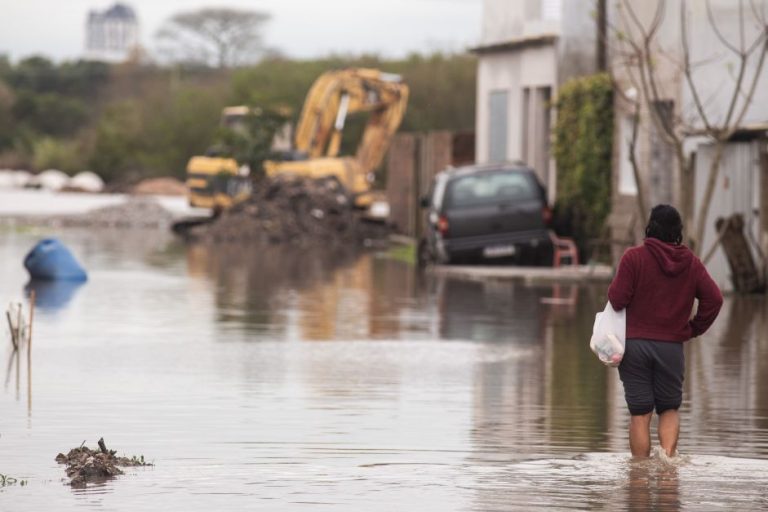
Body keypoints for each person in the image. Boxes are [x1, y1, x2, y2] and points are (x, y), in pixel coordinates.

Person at [608, 204, 723, 458]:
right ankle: (668, 470)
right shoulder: (691, 263)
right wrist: (694, 328)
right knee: (669, 409)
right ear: (678, 232)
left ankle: (638, 477)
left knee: (640, 412)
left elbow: (617, 300)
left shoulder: (633, 258)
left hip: (634, 347)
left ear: (650, 227)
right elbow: (714, 299)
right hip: (671, 348)